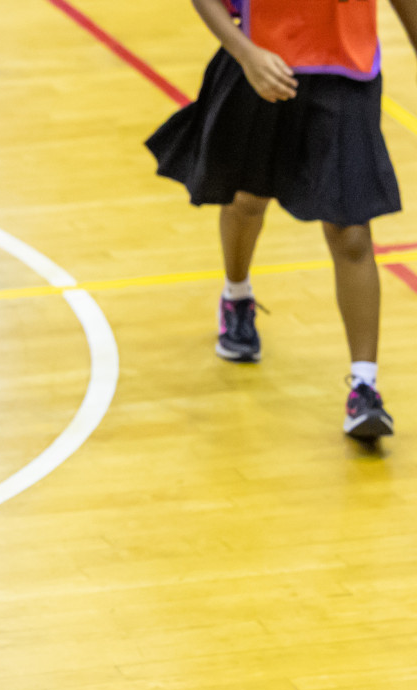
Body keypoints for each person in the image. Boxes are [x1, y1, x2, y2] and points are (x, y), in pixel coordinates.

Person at [146, 0, 417, 438]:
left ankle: (364, 387)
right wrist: (244, 53)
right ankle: (236, 296)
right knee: (248, 200)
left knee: (351, 231)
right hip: (262, 63)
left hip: (347, 73)